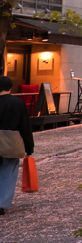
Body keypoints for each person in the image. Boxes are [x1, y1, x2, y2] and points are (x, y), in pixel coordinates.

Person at [0, 75, 34, 216]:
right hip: (11, 142)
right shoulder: (18, 103)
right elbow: (25, 126)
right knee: (9, 172)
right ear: (11, 87)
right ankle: (2, 203)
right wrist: (29, 147)